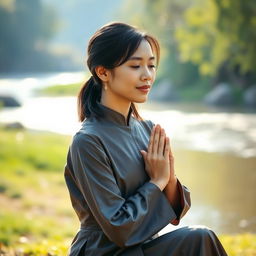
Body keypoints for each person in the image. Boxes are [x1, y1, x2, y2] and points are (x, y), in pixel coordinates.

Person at [64, 22, 228, 256]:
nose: (147, 75)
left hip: (145, 247)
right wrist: (156, 182)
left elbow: (175, 211)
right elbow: (120, 229)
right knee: (199, 238)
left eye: (151, 65)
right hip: (105, 251)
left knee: (199, 238)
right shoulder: (88, 141)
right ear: (103, 72)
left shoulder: (148, 129)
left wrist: (168, 178)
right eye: (135, 66)